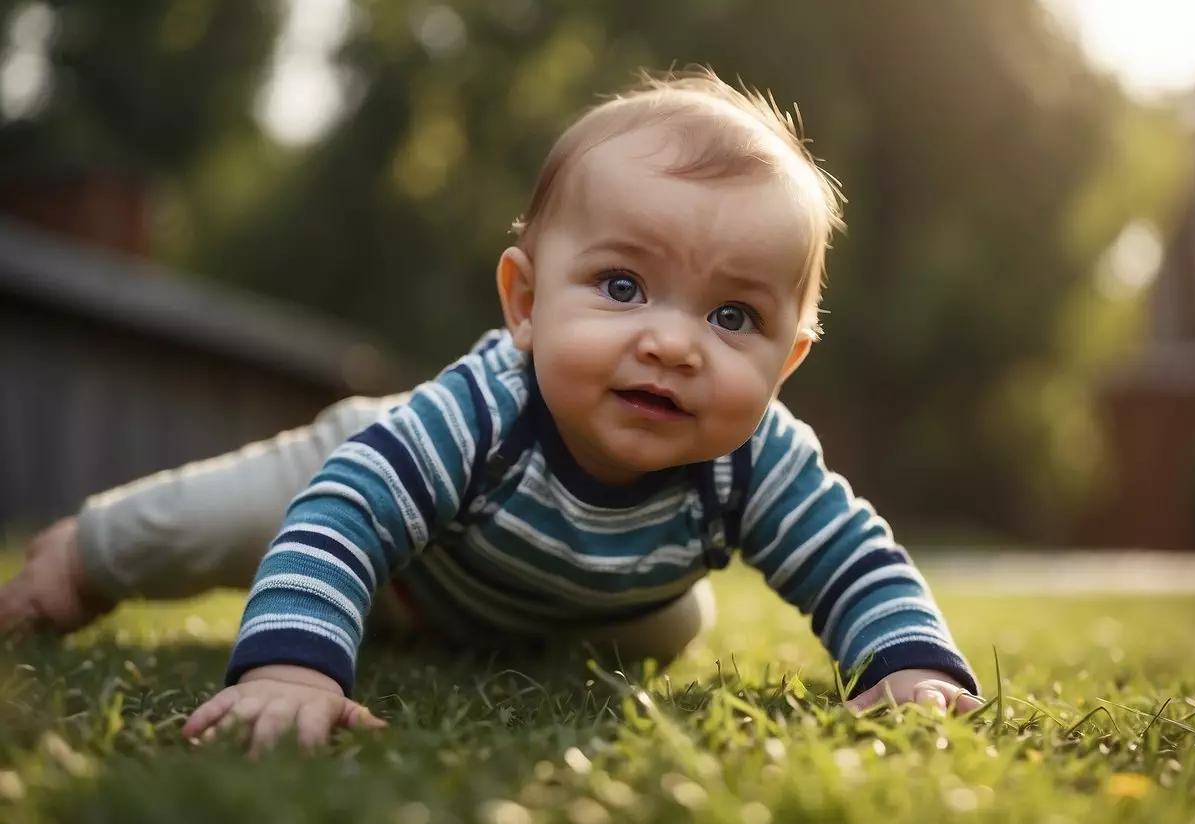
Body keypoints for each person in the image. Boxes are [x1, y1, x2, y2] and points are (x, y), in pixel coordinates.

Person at [1, 70, 982, 755]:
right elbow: (344, 516)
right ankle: (81, 556)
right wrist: (293, 671)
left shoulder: (756, 457)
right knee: (211, 522)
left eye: (733, 316)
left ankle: (524, 600)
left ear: (787, 360)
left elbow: (853, 557)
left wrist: (906, 667)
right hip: (365, 491)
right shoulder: (482, 412)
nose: (675, 343)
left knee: (669, 623)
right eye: (623, 287)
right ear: (523, 302)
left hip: (533, 581)